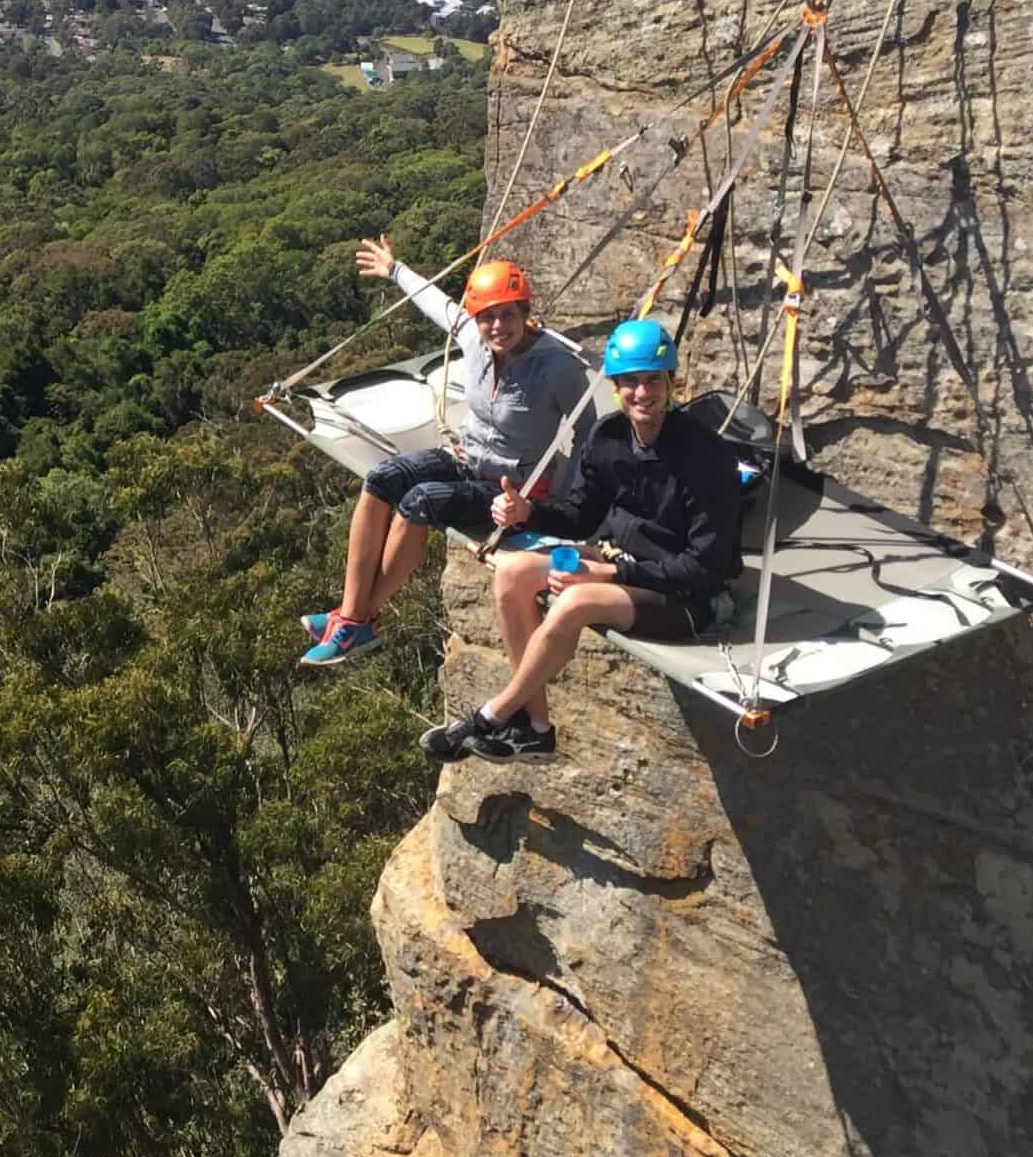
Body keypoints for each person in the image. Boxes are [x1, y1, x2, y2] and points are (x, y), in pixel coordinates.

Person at [420, 317, 744, 763]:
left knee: (576, 602)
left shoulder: (707, 458)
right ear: (615, 385)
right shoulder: (608, 437)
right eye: (630, 382)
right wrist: (529, 512)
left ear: (672, 381)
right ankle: (536, 729)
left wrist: (609, 572)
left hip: (686, 597)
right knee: (513, 572)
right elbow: (580, 514)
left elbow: (704, 567)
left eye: (653, 381)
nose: (642, 393)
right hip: (615, 563)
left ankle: (491, 716)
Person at [299, 237, 592, 665]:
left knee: (420, 502)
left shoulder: (555, 367)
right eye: (487, 317)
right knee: (380, 478)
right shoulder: (476, 341)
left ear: (525, 314)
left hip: (509, 490)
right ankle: (351, 612)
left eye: (508, 315)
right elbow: (437, 304)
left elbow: (589, 432)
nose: (498, 327)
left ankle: (355, 622)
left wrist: (562, 505)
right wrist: (395, 268)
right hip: (465, 459)